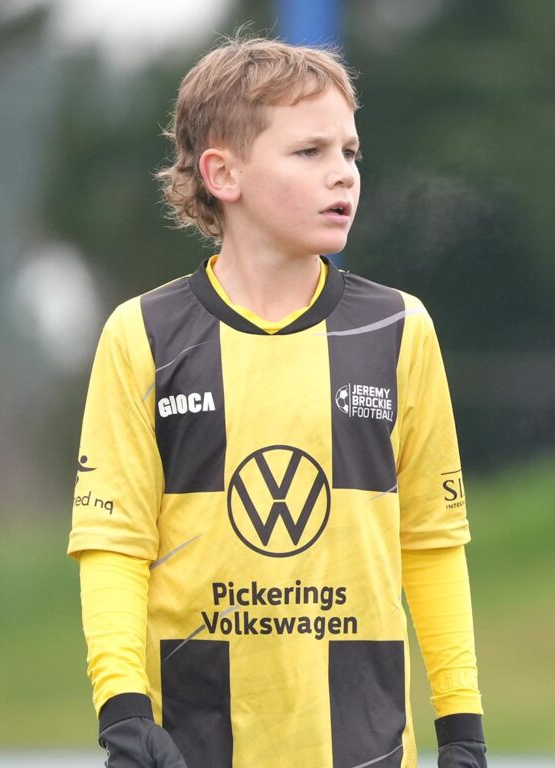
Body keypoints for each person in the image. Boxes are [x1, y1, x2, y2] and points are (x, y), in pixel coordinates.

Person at [68, 36, 487, 768]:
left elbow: (431, 541)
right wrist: (124, 714)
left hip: (367, 752)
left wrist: (462, 729)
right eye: (310, 153)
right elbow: (113, 546)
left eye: (351, 153)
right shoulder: (142, 335)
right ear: (222, 173)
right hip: (189, 749)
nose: (344, 176)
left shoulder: (399, 331)